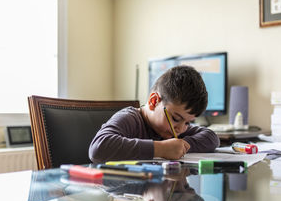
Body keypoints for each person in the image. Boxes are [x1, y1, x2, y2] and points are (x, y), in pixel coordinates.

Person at [89, 65, 220, 163]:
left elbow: (211, 138)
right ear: (154, 101)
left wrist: (180, 146)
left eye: (188, 122)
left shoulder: (173, 129)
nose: (180, 129)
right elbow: (98, 148)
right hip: (123, 193)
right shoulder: (130, 118)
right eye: (175, 118)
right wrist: (161, 149)